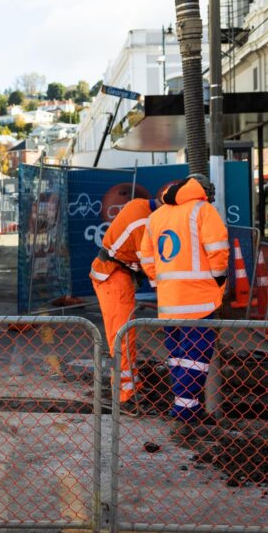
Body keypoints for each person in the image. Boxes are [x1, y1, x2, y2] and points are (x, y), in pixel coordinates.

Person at [139, 173, 229, 434]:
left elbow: (146, 258)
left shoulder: (156, 217)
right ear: (201, 190)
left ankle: (185, 407)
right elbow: (218, 250)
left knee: (178, 357)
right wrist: (218, 280)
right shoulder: (203, 210)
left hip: (169, 302)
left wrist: (160, 284)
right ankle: (185, 413)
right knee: (197, 358)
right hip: (199, 300)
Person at [90, 195, 159, 416]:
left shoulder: (140, 205)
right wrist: (164, 291)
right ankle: (124, 396)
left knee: (124, 337)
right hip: (113, 278)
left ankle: (130, 388)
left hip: (115, 275)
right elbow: (150, 264)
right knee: (121, 339)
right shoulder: (143, 223)